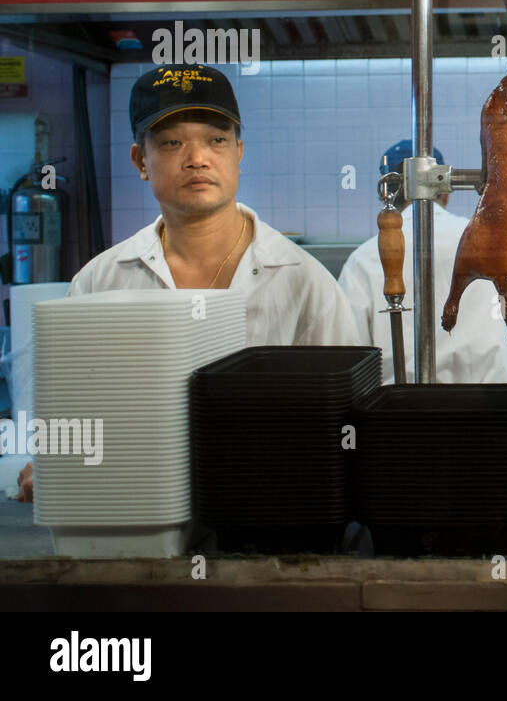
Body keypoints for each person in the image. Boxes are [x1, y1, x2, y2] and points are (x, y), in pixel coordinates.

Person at [17, 65, 358, 501]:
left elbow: (346, 425)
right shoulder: (100, 282)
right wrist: (53, 461)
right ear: (141, 160)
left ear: (239, 152)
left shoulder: (304, 283)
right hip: (131, 516)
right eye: (172, 142)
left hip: (272, 513)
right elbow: (71, 416)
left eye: (216, 140)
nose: (197, 158)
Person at [337, 141, 507, 385]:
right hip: (491, 404)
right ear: (447, 191)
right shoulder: (494, 242)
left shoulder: (364, 258)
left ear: (386, 194)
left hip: (401, 407)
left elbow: (349, 347)